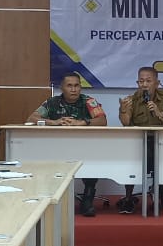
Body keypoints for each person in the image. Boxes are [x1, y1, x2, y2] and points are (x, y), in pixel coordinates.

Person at [29, 73, 108, 216]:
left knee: (92, 160)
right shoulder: (52, 102)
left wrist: (82, 122)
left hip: (85, 147)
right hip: (57, 148)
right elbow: (32, 118)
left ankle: (88, 198)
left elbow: (102, 120)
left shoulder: (88, 101)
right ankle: (52, 199)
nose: (73, 89)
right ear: (62, 88)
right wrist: (54, 122)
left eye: (77, 86)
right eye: (69, 86)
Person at [117, 66, 163, 214]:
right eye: (141, 81)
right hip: (139, 142)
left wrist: (159, 113)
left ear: (157, 83)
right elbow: (126, 123)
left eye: (148, 81)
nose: (144, 84)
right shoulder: (133, 99)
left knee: (162, 156)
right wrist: (123, 110)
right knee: (130, 159)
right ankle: (128, 198)